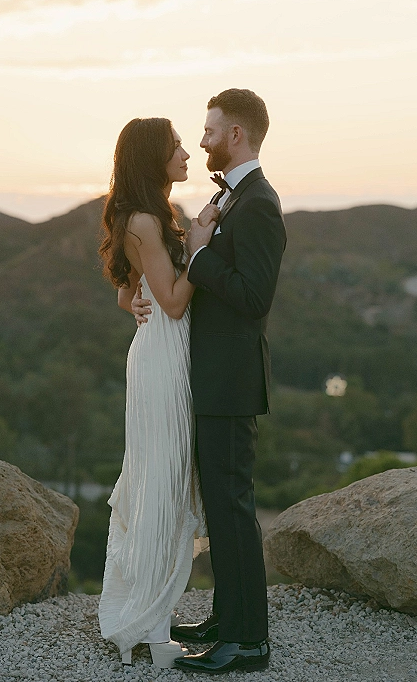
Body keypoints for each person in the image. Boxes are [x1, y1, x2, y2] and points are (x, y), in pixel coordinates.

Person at [133, 89, 287, 675]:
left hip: (230, 382)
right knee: (221, 508)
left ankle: (249, 643)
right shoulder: (235, 199)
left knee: (233, 508)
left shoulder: (259, 205)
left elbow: (254, 296)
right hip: (211, 379)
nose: (201, 141)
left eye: (209, 131)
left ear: (236, 136)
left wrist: (197, 258)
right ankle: (227, 618)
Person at [97, 117, 215, 668]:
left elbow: (128, 299)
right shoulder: (146, 219)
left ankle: (151, 618)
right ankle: (153, 628)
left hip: (160, 356)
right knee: (164, 486)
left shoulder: (146, 215)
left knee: (161, 480)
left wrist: (145, 297)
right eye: (176, 147)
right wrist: (202, 248)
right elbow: (170, 301)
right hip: (163, 360)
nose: (187, 153)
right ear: (154, 157)